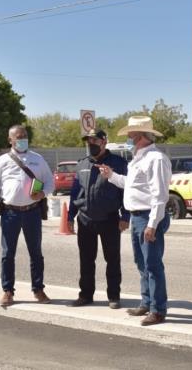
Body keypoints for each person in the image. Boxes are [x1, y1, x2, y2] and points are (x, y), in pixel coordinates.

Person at [98, 116, 171, 326]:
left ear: (140, 137)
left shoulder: (155, 159)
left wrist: (152, 224)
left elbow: (159, 195)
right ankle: (147, 302)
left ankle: (158, 309)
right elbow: (131, 185)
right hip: (139, 216)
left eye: (131, 136)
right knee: (142, 262)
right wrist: (111, 175)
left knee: (152, 264)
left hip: (148, 216)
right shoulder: (139, 158)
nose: (128, 139)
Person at [0, 125, 55, 307]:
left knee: (36, 253)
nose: (23, 139)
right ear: (10, 140)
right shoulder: (2, 161)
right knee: (8, 254)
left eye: (25, 136)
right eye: (19, 136)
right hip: (10, 214)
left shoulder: (37, 159)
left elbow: (50, 182)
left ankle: (38, 289)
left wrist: (42, 194)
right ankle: (8, 291)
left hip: (32, 212)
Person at [68, 129, 130, 309]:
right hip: (85, 220)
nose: (91, 143)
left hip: (110, 219)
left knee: (112, 259)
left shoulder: (118, 163)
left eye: (94, 140)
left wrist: (125, 215)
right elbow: (74, 193)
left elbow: (126, 191)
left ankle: (114, 296)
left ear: (104, 142)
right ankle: (86, 295)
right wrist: (70, 216)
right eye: (88, 140)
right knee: (86, 260)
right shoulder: (82, 165)